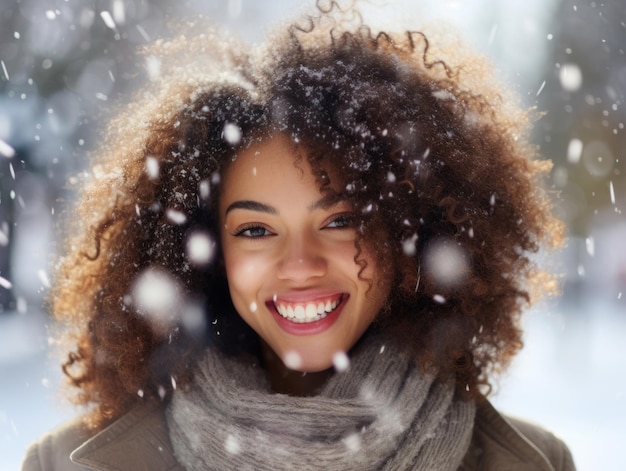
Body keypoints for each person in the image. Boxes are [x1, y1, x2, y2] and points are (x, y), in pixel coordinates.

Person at [22, 2, 575, 469]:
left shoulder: (534, 461)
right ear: (208, 254)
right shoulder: (64, 463)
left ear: (413, 233)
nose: (300, 263)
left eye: (340, 221)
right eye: (257, 230)